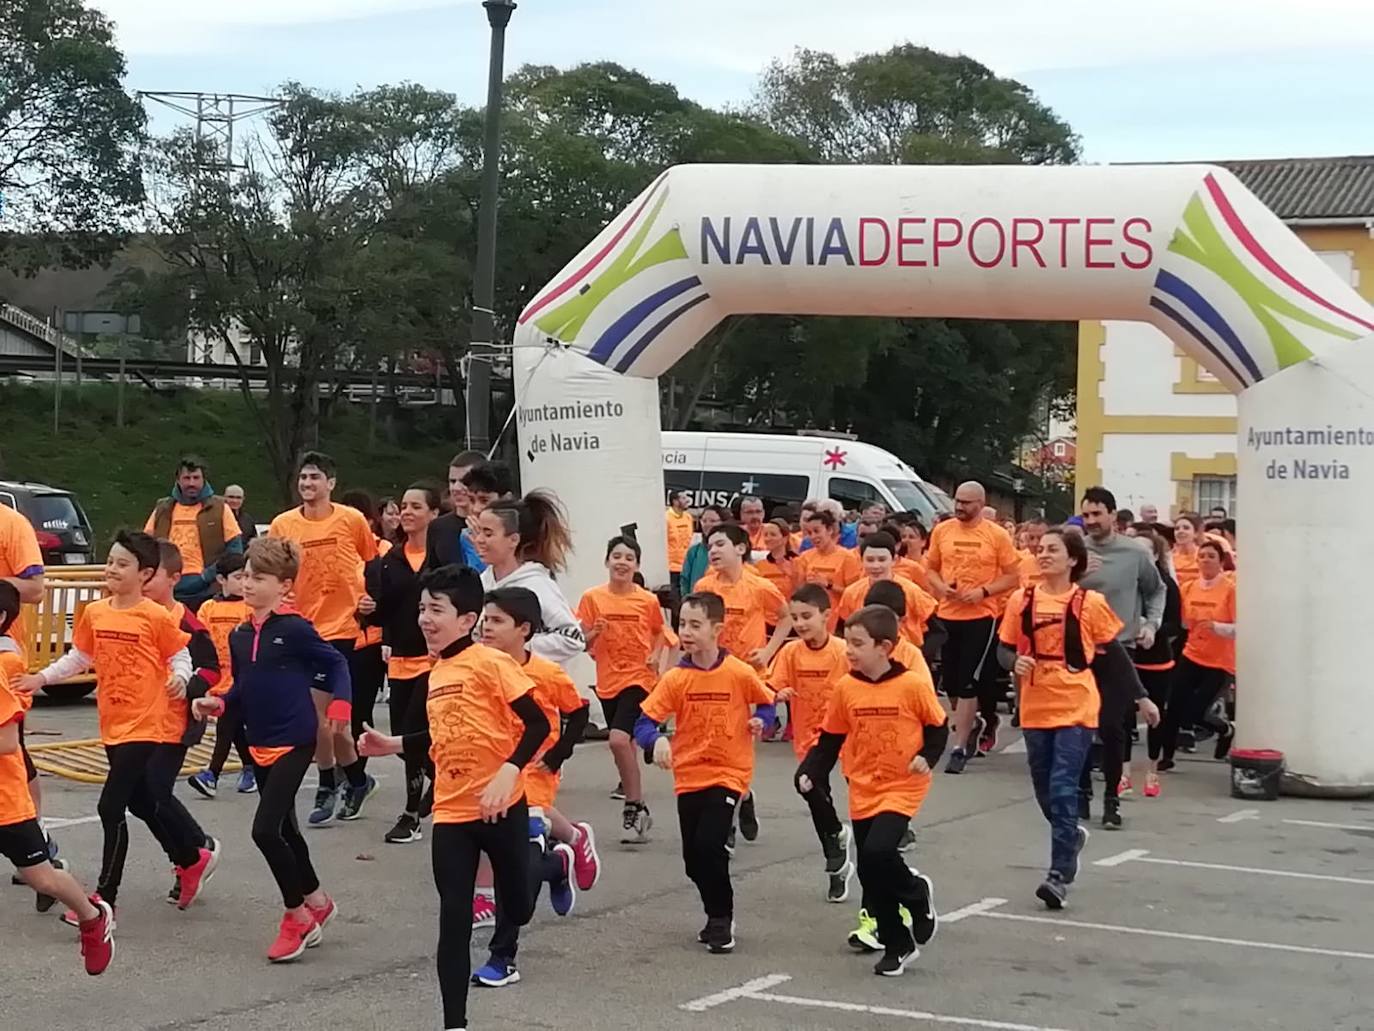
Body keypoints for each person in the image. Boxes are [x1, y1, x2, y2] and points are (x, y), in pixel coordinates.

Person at [357, 565, 550, 1031]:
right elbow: (442, 734)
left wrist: (509, 771)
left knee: (518, 908)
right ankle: (454, 1023)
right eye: (422, 609)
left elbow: (538, 724)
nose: (425, 619)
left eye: (436, 610)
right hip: (452, 811)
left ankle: (549, 861)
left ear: (467, 620)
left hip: (503, 805)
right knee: (454, 921)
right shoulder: (436, 672)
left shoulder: (492, 663)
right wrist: (395, 744)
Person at [19, 530, 218, 916]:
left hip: (148, 724)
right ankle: (191, 857)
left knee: (111, 807)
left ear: (145, 574)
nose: (111, 569)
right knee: (144, 800)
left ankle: (102, 899)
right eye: (110, 561)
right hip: (113, 722)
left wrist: (180, 677)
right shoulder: (95, 612)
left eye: (122, 564)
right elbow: (79, 657)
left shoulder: (155, 615)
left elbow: (180, 655)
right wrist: (40, 678)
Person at [192, 536, 348, 961]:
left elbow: (336, 662)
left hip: (296, 739)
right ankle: (317, 900)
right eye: (245, 575)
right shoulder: (242, 635)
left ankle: (295, 915)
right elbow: (243, 687)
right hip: (257, 739)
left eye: (258, 578)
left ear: (284, 585)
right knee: (286, 830)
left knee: (264, 830)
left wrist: (340, 703)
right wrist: (220, 702)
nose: (247, 584)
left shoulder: (295, 628)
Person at [796, 604, 946, 976]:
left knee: (879, 851)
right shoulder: (847, 687)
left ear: (884, 647)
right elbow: (831, 738)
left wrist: (927, 756)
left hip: (903, 785)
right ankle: (898, 944)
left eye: (858, 643)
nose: (849, 650)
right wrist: (811, 771)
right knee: (869, 870)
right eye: (847, 641)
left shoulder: (911, 684)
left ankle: (915, 894)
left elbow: (938, 728)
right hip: (863, 785)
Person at [633, 591, 775, 954]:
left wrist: (761, 719)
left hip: (730, 771)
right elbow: (645, 722)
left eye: (696, 625)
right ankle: (713, 908)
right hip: (689, 774)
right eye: (682, 624)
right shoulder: (677, 677)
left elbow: (766, 702)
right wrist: (656, 742)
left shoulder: (739, 672)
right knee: (692, 861)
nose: (687, 632)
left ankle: (720, 918)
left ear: (717, 630)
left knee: (710, 845)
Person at [997, 527, 1126, 910]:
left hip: (1077, 704)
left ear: (1073, 559)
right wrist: (1013, 661)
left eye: (1053, 549)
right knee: (1043, 788)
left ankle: (1058, 875)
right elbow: (1003, 649)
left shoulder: (1090, 603)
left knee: (1063, 783)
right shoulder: (1022, 599)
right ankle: (1070, 835)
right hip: (1036, 703)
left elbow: (1114, 654)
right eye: (1040, 548)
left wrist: (1141, 698)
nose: (1044, 554)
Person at [0, 581, 116, 974]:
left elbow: (6, 741)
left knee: (45, 879)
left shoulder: (3, 668)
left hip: (6, 803)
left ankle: (92, 916)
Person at [268, 452, 379, 826]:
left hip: (343, 630)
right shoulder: (284, 524)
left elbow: (371, 560)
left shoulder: (351, 519)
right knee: (317, 720)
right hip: (301, 627)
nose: (307, 484)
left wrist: (369, 600)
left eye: (314, 478)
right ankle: (348, 780)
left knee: (334, 723)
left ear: (331, 483)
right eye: (302, 478)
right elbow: (272, 568)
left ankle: (335, 781)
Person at [482, 586, 598, 899]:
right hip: (496, 762)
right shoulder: (482, 667)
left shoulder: (546, 673)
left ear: (524, 630)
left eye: (496, 620)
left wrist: (559, 753)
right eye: (485, 619)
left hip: (537, 764)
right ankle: (574, 838)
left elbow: (579, 713)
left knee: (530, 820)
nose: (486, 627)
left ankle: (495, 897)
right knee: (491, 822)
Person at [1078, 486, 1165, 829]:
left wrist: (1152, 624)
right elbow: (1052, 586)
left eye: (1097, 514)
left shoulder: (1134, 553)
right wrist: (1079, 574)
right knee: (1082, 725)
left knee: (1113, 727)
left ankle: (1112, 799)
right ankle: (1081, 792)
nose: (1092, 522)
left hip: (1119, 648)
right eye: (1086, 515)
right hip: (1079, 649)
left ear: (1113, 516)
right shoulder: (1076, 550)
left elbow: (1156, 589)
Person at [924, 481, 1021, 773]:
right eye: (957, 501)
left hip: (982, 616)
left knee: (968, 682)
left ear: (981, 503)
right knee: (950, 683)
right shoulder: (943, 531)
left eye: (967, 502)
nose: (960, 507)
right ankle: (974, 722)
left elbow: (1013, 576)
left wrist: (984, 592)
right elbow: (930, 569)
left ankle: (959, 746)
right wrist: (942, 588)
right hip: (948, 613)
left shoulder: (996, 535)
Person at [576, 536, 667, 846]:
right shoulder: (592, 597)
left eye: (629, 557)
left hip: (639, 677)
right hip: (607, 678)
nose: (622, 562)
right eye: (616, 556)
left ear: (637, 565)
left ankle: (632, 804)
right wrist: (594, 633)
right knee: (623, 745)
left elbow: (661, 633)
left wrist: (656, 655)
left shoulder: (647, 600)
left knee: (616, 739)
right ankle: (637, 804)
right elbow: (581, 642)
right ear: (606, 562)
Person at [364, 484, 441, 844]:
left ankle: (410, 814)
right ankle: (441, 777)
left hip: (436, 659)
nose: (406, 512)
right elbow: (382, 609)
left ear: (434, 514)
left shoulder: (442, 557)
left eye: (415, 506)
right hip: (399, 660)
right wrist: (365, 611)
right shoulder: (389, 559)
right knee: (401, 736)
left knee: (411, 732)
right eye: (403, 506)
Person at [767, 583, 851, 901]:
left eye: (807, 616)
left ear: (826, 616)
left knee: (857, 796)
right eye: (795, 617)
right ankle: (836, 853)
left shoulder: (844, 651)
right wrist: (778, 693)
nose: (800, 624)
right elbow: (772, 685)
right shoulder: (791, 652)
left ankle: (847, 840)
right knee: (809, 786)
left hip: (846, 735)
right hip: (810, 738)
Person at [472, 492, 586, 666]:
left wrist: (518, 648)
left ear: (513, 540)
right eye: (478, 532)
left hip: (530, 686)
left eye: (488, 534)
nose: (479, 540)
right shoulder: (480, 582)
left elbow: (573, 638)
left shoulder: (537, 585)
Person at [1158, 540, 1237, 769]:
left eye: (1211, 556)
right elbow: (1183, 622)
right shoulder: (1189, 587)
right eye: (1202, 556)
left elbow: (1241, 627)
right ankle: (1167, 756)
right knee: (1173, 707)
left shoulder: (1230, 589)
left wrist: (1217, 626)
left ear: (1221, 562)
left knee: (1195, 712)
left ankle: (1225, 729)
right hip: (1192, 653)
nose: (1205, 560)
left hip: (1220, 660)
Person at [187, 553, 256, 796]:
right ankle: (251, 767)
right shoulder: (208, 607)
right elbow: (200, 642)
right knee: (234, 727)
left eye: (247, 577)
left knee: (226, 725)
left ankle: (212, 775)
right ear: (221, 580)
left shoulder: (250, 606)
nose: (244, 582)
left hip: (242, 679)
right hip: (218, 678)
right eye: (238, 577)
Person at [1124, 528, 1181, 798]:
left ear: (1156, 555)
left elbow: (1176, 624)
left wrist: (1152, 630)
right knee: (1122, 715)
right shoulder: (1124, 583)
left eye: (1145, 551)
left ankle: (1152, 770)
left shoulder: (1167, 585)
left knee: (1155, 715)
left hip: (1157, 659)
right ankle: (1123, 773)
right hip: (1128, 656)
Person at [144, 456, 244, 608]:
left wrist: (207, 576)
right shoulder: (162, 508)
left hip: (207, 590)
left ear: (204, 480)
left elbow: (235, 551)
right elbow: (145, 547)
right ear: (178, 480)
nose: (191, 483)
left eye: (196, 478)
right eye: (187, 478)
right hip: (167, 587)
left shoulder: (220, 507)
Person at [340, 489, 389, 787]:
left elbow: (393, 596)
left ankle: (356, 775)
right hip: (331, 638)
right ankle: (345, 770)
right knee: (335, 714)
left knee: (358, 710)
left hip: (367, 642)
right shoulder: (332, 551)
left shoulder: (383, 552)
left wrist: (374, 606)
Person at [835, 532, 937, 649]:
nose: (876, 566)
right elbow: (843, 628)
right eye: (870, 560)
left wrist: (921, 654)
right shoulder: (851, 593)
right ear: (861, 561)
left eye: (882, 559)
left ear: (894, 560)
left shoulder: (911, 591)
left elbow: (937, 631)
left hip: (906, 657)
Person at [795, 506, 862, 622]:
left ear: (830, 530)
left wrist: (828, 585)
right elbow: (799, 591)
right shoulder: (804, 557)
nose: (813, 537)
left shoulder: (847, 557)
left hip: (839, 619)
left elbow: (854, 594)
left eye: (817, 531)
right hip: (812, 618)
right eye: (809, 533)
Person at [425, 450, 489, 571]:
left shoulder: (497, 524)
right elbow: (430, 571)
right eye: (452, 481)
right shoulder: (438, 526)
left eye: (464, 482)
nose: (456, 488)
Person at [680, 504, 726, 594]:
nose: (707, 524)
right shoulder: (694, 551)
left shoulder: (730, 551)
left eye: (713, 521)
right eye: (704, 521)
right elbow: (684, 580)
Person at [754, 517, 799, 600]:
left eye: (773, 534)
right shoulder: (759, 565)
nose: (768, 538)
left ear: (785, 538)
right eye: (766, 535)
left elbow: (803, 590)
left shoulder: (798, 562)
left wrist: (792, 576)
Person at [665, 491, 695, 600]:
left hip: (687, 566)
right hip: (671, 567)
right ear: (675, 501)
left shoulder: (688, 517)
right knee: (674, 600)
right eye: (683, 498)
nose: (687, 500)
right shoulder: (666, 518)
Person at [1172, 513, 1203, 591]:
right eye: (1177, 529)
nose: (1180, 531)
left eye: (1186, 528)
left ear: (1195, 533)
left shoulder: (1204, 554)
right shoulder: (1168, 557)